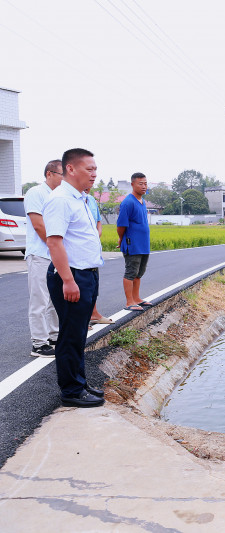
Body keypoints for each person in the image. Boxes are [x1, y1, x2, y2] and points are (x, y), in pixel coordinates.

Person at [43, 148, 105, 408]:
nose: (94, 174)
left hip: (86, 273)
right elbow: (54, 242)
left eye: (95, 170)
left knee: (79, 333)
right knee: (70, 335)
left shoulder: (80, 198)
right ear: (71, 169)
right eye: (88, 169)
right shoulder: (61, 200)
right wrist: (68, 280)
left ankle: (79, 382)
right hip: (72, 275)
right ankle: (71, 391)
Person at [24, 160, 62, 357]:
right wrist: (54, 246)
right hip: (40, 253)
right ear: (49, 174)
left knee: (55, 298)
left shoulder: (58, 195)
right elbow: (38, 225)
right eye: (61, 175)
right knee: (39, 299)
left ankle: (54, 335)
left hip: (55, 254)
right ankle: (38, 343)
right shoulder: (36, 193)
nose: (64, 179)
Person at [116, 172, 151, 311]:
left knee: (139, 272)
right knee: (131, 272)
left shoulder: (142, 202)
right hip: (133, 244)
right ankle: (129, 302)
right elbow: (121, 225)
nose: (144, 186)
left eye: (145, 183)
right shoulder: (128, 202)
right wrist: (121, 238)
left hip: (143, 244)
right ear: (132, 184)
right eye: (140, 184)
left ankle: (136, 298)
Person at [85, 187, 112, 327]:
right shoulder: (67, 199)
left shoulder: (91, 200)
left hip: (92, 248)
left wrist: (95, 235)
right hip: (78, 249)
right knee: (80, 287)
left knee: (92, 285)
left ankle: (93, 314)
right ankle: (81, 320)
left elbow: (98, 222)